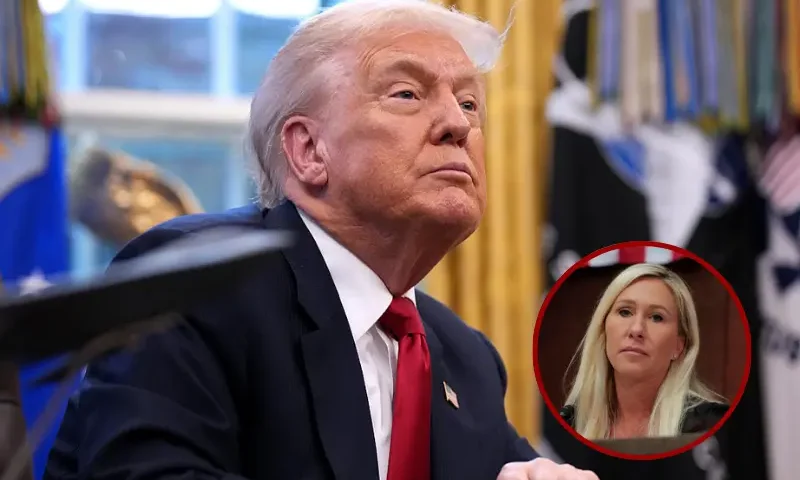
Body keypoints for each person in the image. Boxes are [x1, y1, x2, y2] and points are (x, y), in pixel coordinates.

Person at [44, 1, 598, 479]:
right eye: (408, 94)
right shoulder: (192, 285)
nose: (458, 123)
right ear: (309, 151)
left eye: (471, 103)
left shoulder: (467, 360)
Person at [560, 263, 729, 441]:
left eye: (656, 317)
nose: (636, 329)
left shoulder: (713, 425)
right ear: (603, 330)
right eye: (625, 312)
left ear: (679, 346)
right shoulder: (570, 423)